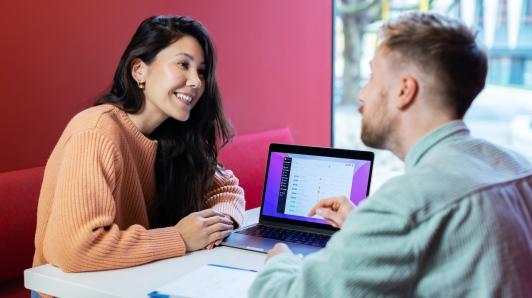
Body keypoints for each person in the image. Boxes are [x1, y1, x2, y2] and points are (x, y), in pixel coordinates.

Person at [249, 12, 532, 297]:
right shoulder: (519, 168)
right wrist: (366, 228)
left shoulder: (405, 204)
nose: (362, 94)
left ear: (404, 90)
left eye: (371, 77)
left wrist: (280, 261)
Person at [32, 16, 245, 275]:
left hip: (137, 280)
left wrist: (214, 226)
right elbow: (75, 248)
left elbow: (226, 189)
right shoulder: (95, 131)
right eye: (183, 65)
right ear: (139, 71)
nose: (196, 82)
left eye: (201, 71)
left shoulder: (173, 134)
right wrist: (179, 238)